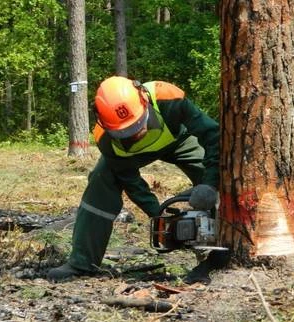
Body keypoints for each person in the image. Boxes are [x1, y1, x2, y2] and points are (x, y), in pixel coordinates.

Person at [47, 76, 226, 283]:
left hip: (179, 140)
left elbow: (212, 134)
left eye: (138, 124)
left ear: (144, 99)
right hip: (132, 156)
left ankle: (223, 247)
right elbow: (130, 180)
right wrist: (157, 213)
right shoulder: (105, 139)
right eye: (125, 132)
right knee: (100, 179)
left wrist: (210, 184)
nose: (136, 133)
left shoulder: (167, 97)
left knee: (222, 172)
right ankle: (82, 262)